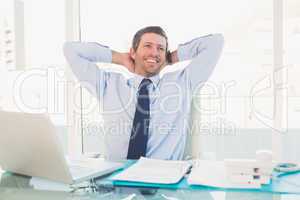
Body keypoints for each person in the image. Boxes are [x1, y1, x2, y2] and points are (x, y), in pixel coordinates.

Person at [63, 26, 224, 160]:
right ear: (133, 52)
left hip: (162, 182)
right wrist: (120, 58)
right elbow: (71, 50)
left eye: (160, 48)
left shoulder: (182, 83)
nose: (154, 52)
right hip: (116, 182)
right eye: (148, 46)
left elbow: (215, 42)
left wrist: (170, 58)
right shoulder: (108, 84)